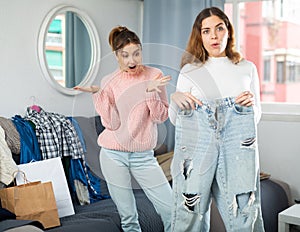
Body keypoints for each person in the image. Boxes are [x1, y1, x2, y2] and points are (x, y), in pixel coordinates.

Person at [169, 7, 265, 232]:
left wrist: (246, 107)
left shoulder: (246, 68)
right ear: (199, 36)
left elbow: (256, 117)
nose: (214, 36)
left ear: (228, 31)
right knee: (190, 211)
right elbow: (176, 121)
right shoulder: (190, 70)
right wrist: (175, 98)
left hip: (236, 137)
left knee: (244, 209)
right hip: (197, 139)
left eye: (219, 28)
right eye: (206, 31)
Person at [74, 26, 172, 232]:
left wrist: (150, 92)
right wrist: (99, 95)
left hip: (144, 156)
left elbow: (160, 116)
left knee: (172, 210)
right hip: (113, 155)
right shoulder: (109, 81)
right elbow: (111, 124)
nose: (132, 60)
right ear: (116, 56)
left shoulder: (154, 75)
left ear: (141, 51)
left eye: (136, 53)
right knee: (129, 219)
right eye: (125, 55)